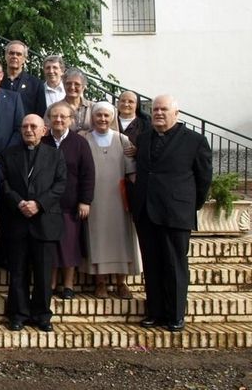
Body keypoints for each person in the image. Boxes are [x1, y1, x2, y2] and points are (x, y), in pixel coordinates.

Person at [132, 95, 212, 332]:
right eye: (155, 109)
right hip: (147, 212)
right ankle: (155, 312)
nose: (158, 113)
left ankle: (175, 314)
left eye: (163, 109)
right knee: (152, 264)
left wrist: (190, 205)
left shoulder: (195, 141)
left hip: (176, 213)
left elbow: (204, 178)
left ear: (176, 114)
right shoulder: (144, 138)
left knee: (175, 265)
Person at [0, 114, 67, 332]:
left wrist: (38, 204)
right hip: (17, 221)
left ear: (44, 130)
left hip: (44, 220)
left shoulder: (55, 155)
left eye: (33, 126)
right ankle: (18, 314)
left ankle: (42, 315)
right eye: (25, 126)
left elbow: (60, 184)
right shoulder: (9, 155)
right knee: (18, 271)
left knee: (43, 272)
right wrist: (19, 202)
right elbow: (4, 184)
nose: (28, 130)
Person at [82, 102, 140, 299]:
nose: (103, 119)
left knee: (121, 239)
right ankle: (100, 282)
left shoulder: (122, 140)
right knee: (97, 239)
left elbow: (131, 171)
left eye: (107, 116)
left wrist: (135, 199)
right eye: (99, 115)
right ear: (93, 117)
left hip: (118, 199)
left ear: (112, 117)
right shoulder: (85, 139)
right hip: (95, 199)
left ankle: (121, 282)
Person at [41, 101, 95, 300]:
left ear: (71, 120)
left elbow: (88, 174)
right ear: (49, 119)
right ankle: (52, 282)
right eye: (55, 116)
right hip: (47, 204)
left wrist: (85, 200)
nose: (59, 120)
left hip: (71, 204)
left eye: (63, 116)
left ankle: (68, 284)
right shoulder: (43, 141)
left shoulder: (80, 143)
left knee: (70, 244)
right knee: (51, 244)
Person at [0, 40, 46, 117]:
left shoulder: (36, 84)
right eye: (11, 53)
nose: (14, 56)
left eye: (19, 54)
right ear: (5, 56)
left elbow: (41, 113)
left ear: (24, 59)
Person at [62, 67, 93, 133]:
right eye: (68, 83)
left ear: (83, 87)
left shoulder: (94, 107)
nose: (72, 87)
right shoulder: (54, 108)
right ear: (64, 85)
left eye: (77, 84)